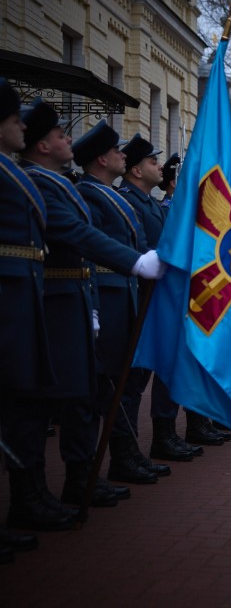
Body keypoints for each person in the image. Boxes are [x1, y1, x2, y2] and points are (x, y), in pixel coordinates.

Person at [74, 120, 168, 485]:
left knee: (127, 383)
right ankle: (115, 459)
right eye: (116, 151)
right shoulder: (89, 193)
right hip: (108, 296)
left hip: (126, 295)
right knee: (111, 386)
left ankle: (127, 454)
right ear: (102, 159)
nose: (122, 154)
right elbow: (90, 249)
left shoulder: (112, 194)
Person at [117, 135, 200, 463]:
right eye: (153, 161)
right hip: (142, 297)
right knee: (134, 379)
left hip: (164, 298)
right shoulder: (128, 201)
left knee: (167, 367)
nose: (161, 167)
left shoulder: (149, 203)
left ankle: (164, 436)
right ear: (136, 170)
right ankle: (127, 450)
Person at [0, 79, 47, 556]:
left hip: (23, 301)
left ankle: (27, 499)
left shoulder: (13, 173)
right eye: (15, 120)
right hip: (13, 302)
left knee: (24, 404)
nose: (22, 127)